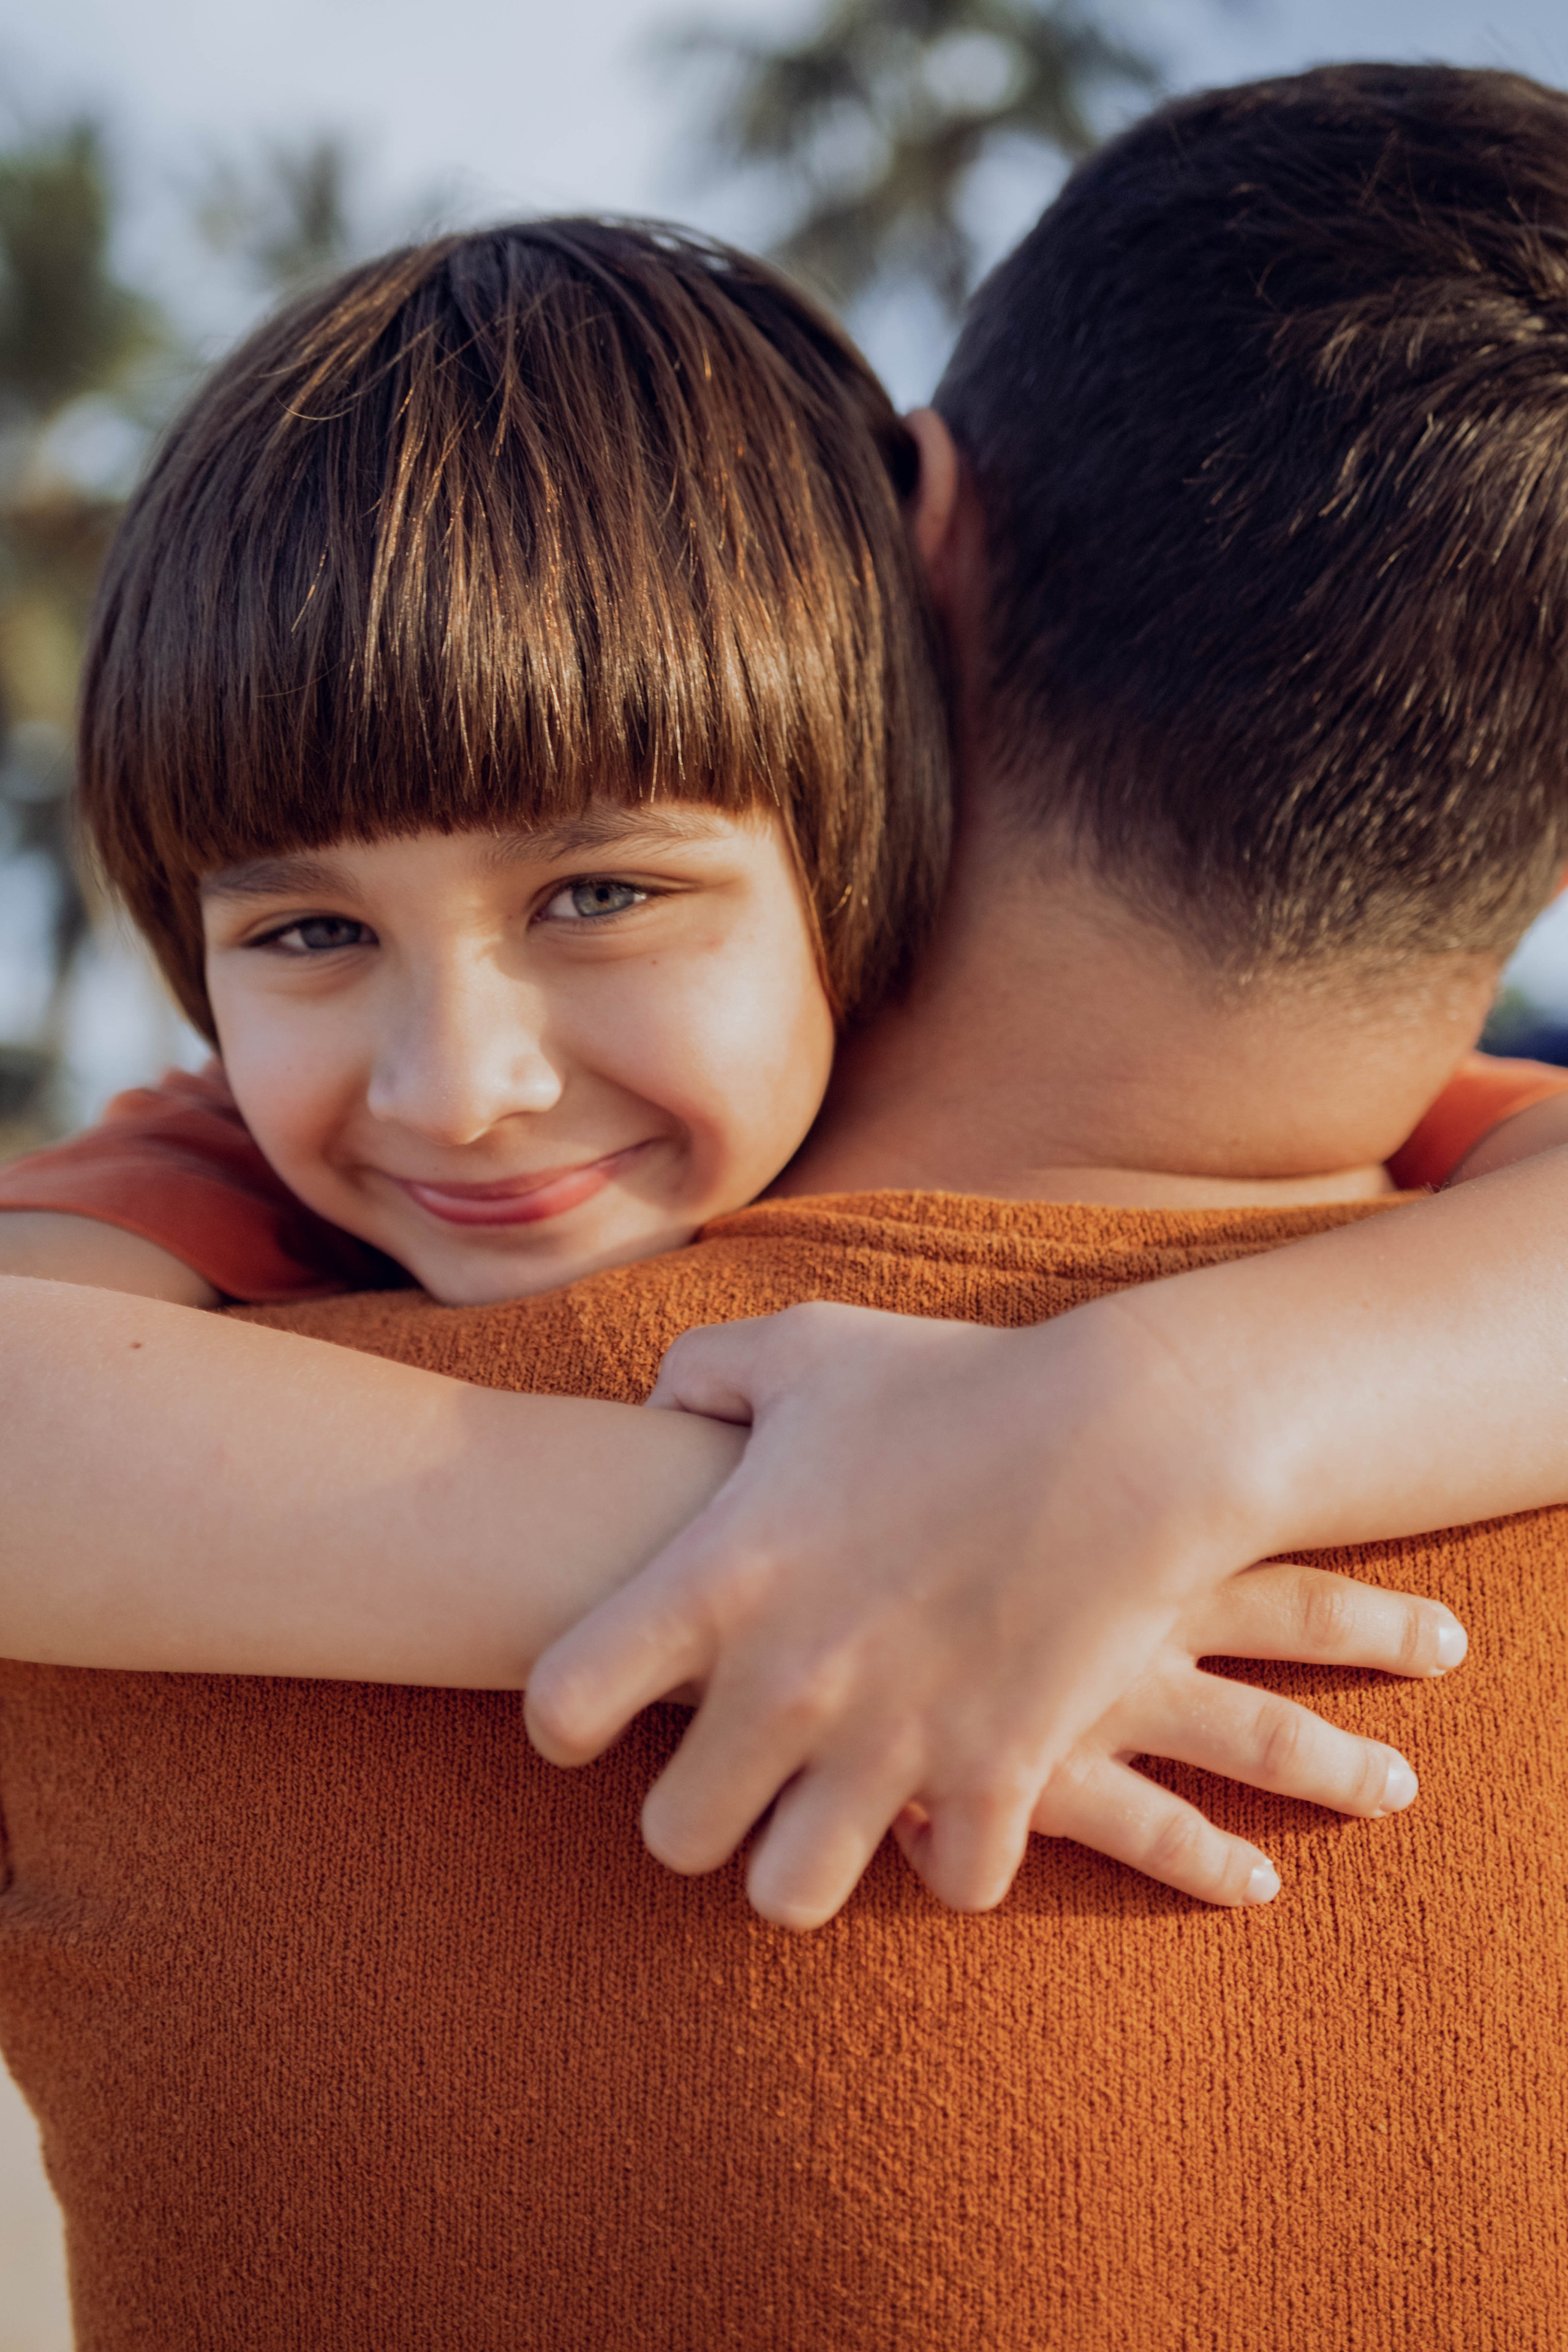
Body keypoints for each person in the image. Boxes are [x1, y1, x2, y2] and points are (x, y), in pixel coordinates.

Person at [6, 61, 1568, 2346]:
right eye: (305, 932)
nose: (462, 1080)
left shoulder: (160, 1577)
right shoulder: (210, 1200)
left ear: (893, 602)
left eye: (608, 888)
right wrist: (775, 1534)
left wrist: (1140, 1431)